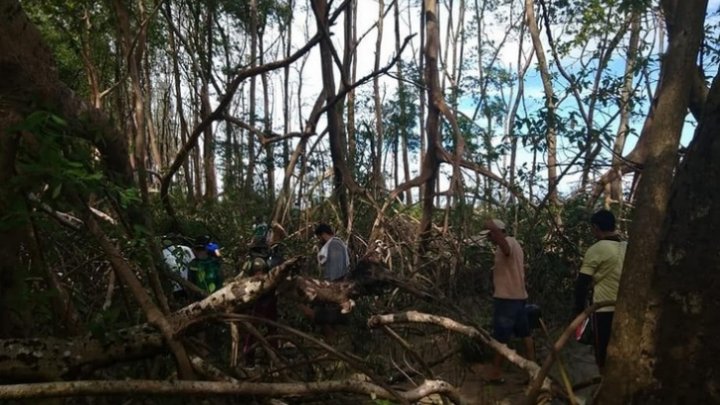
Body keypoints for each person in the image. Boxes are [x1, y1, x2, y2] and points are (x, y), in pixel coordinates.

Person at [483, 218, 535, 384]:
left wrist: (492, 227)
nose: (489, 238)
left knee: (500, 339)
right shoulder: (513, 244)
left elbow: (505, 248)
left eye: (490, 235)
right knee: (525, 334)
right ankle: (533, 372)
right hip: (518, 298)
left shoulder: (508, 243)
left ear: (497, 232)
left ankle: (495, 373)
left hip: (507, 300)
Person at [574, 209, 626, 371]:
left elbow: (582, 284)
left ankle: (604, 384)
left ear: (596, 228)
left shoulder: (597, 249)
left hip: (603, 310)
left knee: (602, 352)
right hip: (626, 309)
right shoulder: (627, 247)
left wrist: (578, 313)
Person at [239, 223, 286, 368]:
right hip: (262, 298)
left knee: (256, 331)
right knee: (260, 330)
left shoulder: (268, 258)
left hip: (262, 299)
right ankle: (260, 360)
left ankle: (259, 360)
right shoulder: (262, 259)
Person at [299, 223, 350, 340]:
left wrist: (328, 288)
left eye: (319, 237)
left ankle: (333, 341)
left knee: (324, 316)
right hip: (337, 286)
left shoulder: (334, 245)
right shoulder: (337, 244)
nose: (319, 240)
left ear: (322, 234)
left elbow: (335, 270)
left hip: (335, 286)